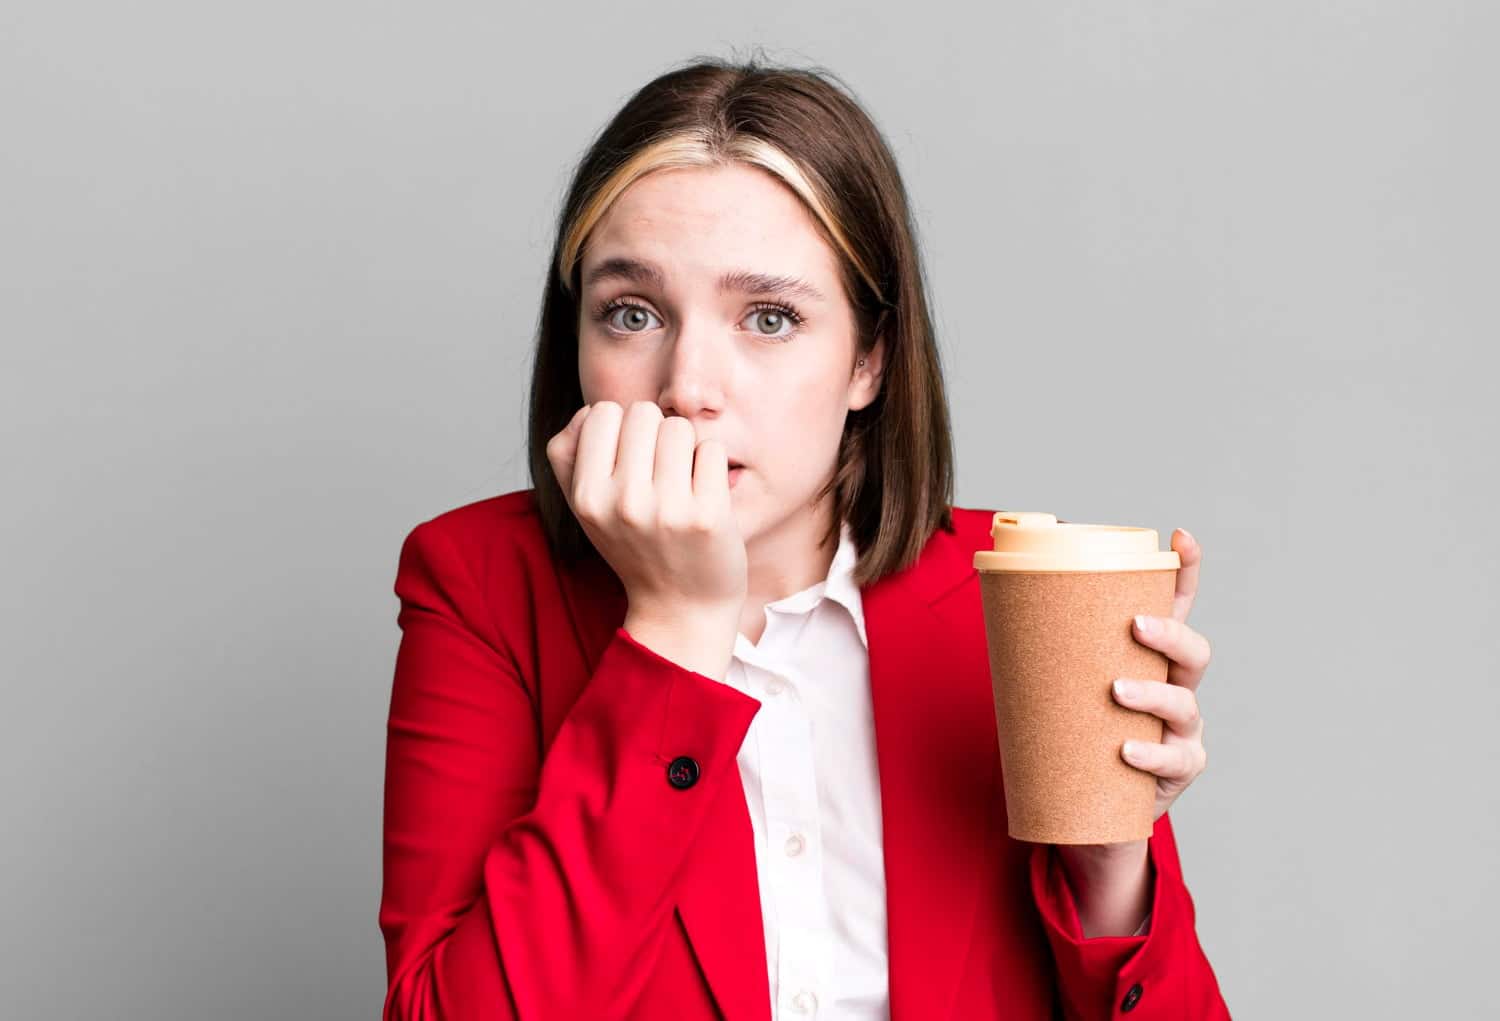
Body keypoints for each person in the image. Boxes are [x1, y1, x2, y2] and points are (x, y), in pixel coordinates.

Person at [378, 54, 1230, 1020]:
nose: (687, 386)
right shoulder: (479, 585)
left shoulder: (1013, 593)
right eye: (632, 313)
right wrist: (673, 634)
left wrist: (1110, 869)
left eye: (770, 318)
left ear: (870, 359)